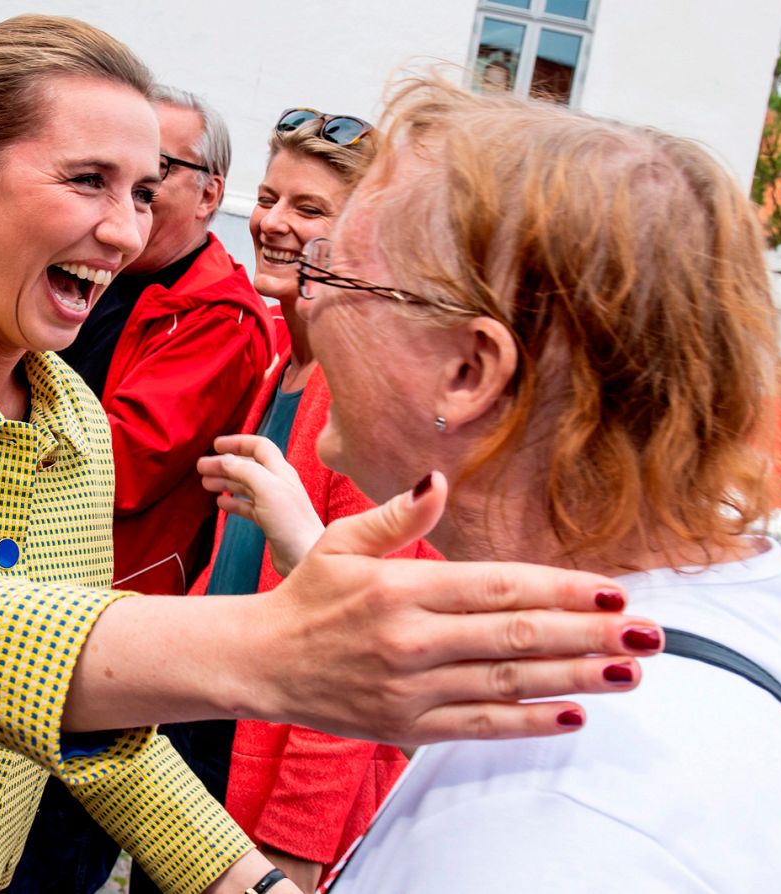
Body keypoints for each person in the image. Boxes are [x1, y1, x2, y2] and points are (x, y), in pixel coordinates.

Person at [0, 18, 665, 894]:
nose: (125, 232)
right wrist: (268, 650)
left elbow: (98, 732)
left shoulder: (73, 419)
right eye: (88, 181)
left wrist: (254, 885)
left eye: (141, 193)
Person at [212, 76, 781, 891]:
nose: (309, 303)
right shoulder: (690, 621)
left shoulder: (552, 824)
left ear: (469, 370)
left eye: (339, 277)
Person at [10, 86, 275, 894]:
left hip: (103, 624)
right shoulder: (107, 271)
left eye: (157, 172)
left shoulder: (219, 315)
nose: (136, 197)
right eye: (115, 172)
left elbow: (122, 466)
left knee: (48, 860)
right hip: (31, 597)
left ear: (211, 193)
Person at [187, 109, 437, 892]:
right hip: (209, 737)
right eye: (269, 198)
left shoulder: (366, 395)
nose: (273, 223)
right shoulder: (284, 367)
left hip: (270, 786)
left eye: (309, 208)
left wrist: (293, 846)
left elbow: (363, 641)